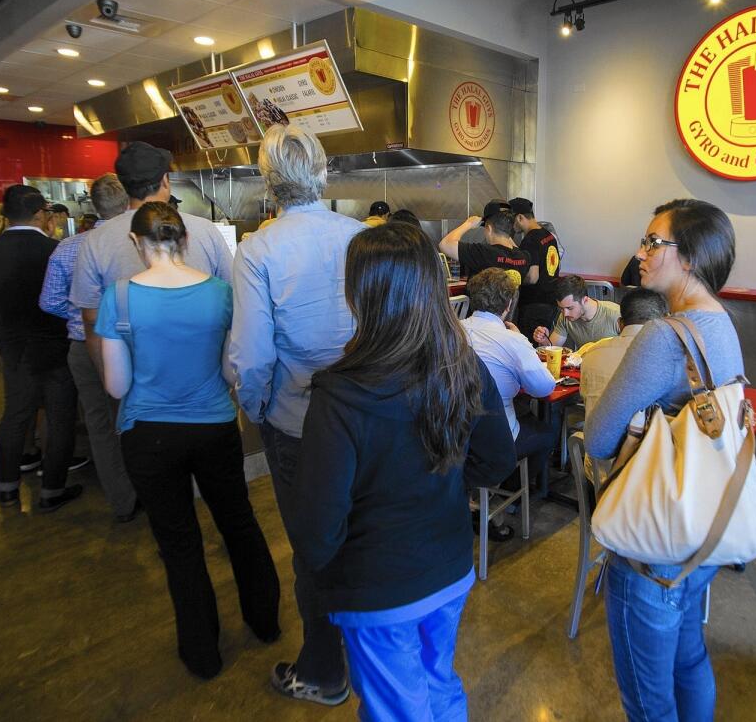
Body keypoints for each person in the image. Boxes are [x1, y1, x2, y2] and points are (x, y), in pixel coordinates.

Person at [292, 222, 515, 720]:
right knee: (438, 684)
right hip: (451, 568)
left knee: (398, 708)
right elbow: (497, 459)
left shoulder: (339, 394)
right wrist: (444, 483)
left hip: (378, 589)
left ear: (358, 294)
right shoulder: (462, 365)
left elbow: (316, 534)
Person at [95, 202, 279, 679]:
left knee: (179, 545)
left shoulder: (119, 297)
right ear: (186, 241)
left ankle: (202, 654)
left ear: (136, 242)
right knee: (239, 523)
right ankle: (266, 623)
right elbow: (227, 370)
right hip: (214, 426)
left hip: (149, 435)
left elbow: (116, 386)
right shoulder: (221, 293)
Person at [586, 199, 746, 722]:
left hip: (655, 539)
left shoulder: (663, 335)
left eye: (654, 242)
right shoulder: (724, 324)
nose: (641, 252)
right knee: (689, 656)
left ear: (692, 257)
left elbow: (599, 438)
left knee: (648, 698)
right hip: (707, 524)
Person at [226, 123, 362, 707]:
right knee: (361, 534)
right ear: (324, 173)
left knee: (313, 546)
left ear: (268, 181)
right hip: (367, 417)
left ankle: (324, 671)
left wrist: (255, 409)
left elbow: (251, 358)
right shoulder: (363, 237)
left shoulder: (258, 249)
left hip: (298, 425)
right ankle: (366, 649)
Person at [0, 185, 82, 510]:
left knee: (15, 415)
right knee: (59, 420)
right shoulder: (56, 251)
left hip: (13, 349)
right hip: (56, 348)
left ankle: (6, 488)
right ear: (40, 214)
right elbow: (68, 301)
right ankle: (51, 491)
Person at [70, 141, 231, 379]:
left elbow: (91, 321)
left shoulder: (95, 240)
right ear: (165, 181)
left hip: (134, 376)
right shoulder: (205, 230)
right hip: (203, 374)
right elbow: (234, 305)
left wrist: (109, 379)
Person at [39, 173, 138, 522]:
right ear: (127, 202)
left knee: (99, 423)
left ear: (94, 206)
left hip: (81, 346)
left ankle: (122, 500)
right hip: (129, 344)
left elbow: (49, 301)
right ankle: (148, 489)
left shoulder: (68, 247)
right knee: (135, 417)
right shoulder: (133, 242)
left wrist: (74, 314)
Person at [460, 267, 559, 538]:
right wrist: (522, 342)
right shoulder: (512, 340)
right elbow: (544, 387)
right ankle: (503, 501)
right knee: (546, 432)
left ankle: (470, 495)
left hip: (452, 431)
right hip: (492, 440)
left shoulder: (453, 328)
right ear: (508, 304)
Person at [580, 287, 669, 411]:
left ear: (620, 323)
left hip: (595, 429)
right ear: (664, 322)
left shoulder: (592, 353)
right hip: (651, 429)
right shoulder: (669, 358)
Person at [508, 197, 563, 336]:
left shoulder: (530, 240)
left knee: (530, 346)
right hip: (551, 301)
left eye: (511, 220)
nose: (510, 225)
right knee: (542, 344)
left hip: (534, 304)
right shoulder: (548, 235)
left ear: (520, 217)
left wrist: (514, 279)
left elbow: (532, 277)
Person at [439, 204, 530, 283]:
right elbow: (512, 247)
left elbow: (445, 244)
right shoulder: (524, 257)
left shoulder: (484, 253)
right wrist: (506, 229)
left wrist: (468, 223)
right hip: (510, 304)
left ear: (489, 229)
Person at [533, 275, 620, 349]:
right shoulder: (565, 316)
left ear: (585, 300)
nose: (565, 313)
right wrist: (544, 340)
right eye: (561, 309)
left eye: (570, 308)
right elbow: (553, 348)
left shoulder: (616, 315)